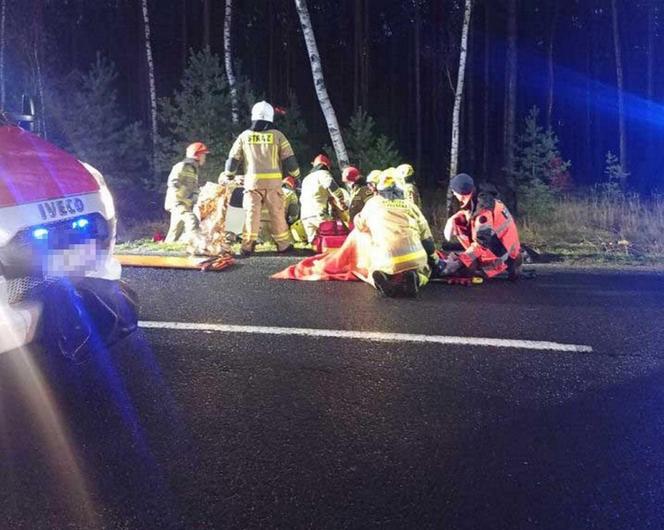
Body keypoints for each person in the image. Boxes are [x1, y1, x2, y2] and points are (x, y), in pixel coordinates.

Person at [223, 100, 300, 255]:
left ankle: (247, 246)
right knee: (277, 214)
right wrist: (296, 175)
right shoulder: (278, 136)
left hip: (252, 184)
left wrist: (229, 175)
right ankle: (283, 245)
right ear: (270, 117)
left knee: (251, 214)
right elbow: (290, 160)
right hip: (273, 184)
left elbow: (232, 160)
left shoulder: (245, 136)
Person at [353, 171, 439, 297]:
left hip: (384, 258)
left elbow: (360, 225)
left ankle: (383, 279)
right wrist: (434, 261)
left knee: (372, 270)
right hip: (414, 258)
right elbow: (427, 240)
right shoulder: (411, 206)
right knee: (426, 271)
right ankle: (417, 278)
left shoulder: (372, 204)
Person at [442, 173, 522, 279]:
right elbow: (470, 214)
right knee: (458, 221)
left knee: (465, 270)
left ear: (461, 194)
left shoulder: (483, 213)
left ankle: (485, 266)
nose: (454, 195)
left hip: (505, 256)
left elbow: (482, 243)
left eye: (454, 192)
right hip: (504, 248)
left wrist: (460, 263)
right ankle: (474, 262)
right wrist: (453, 218)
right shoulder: (481, 199)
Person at [164, 142, 208, 243]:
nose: (205, 157)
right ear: (197, 155)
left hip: (184, 203)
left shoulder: (193, 170)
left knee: (175, 232)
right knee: (192, 220)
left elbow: (193, 187)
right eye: (203, 154)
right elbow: (173, 182)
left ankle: (166, 249)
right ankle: (196, 245)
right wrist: (185, 193)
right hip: (177, 202)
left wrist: (196, 196)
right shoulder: (182, 166)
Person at [299, 153, 348, 243]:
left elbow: (319, 194)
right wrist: (341, 199)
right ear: (327, 166)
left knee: (315, 244)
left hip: (305, 216)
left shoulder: (306, 178)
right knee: (332, 239)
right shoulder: (323, 174)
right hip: (319, 214)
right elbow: (331, 186)